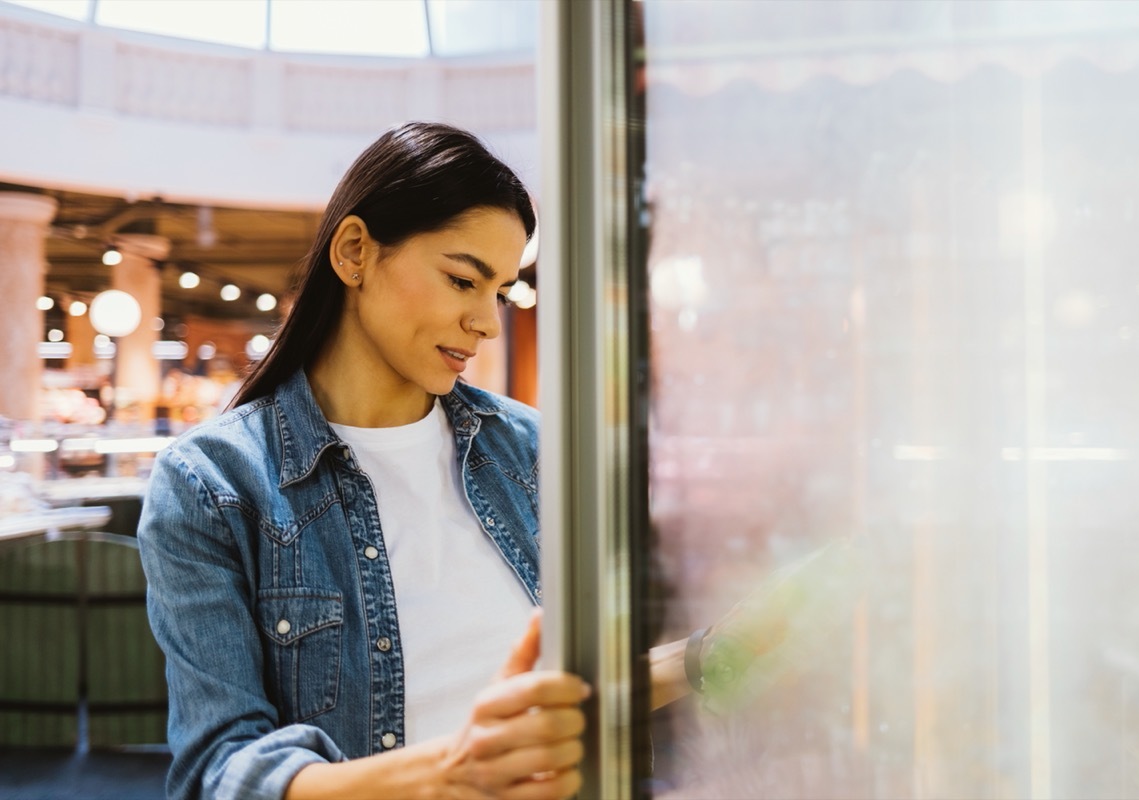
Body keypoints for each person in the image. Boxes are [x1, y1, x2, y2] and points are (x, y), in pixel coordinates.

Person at [139, 122, 713, 800]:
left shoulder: (531, 449)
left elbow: (574, 697)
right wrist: (448, 775)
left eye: (499, 289)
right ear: (355, 252)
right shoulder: (212, 485)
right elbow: (219, 774)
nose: (488, 321)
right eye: (463, 279)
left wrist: (710, 657)